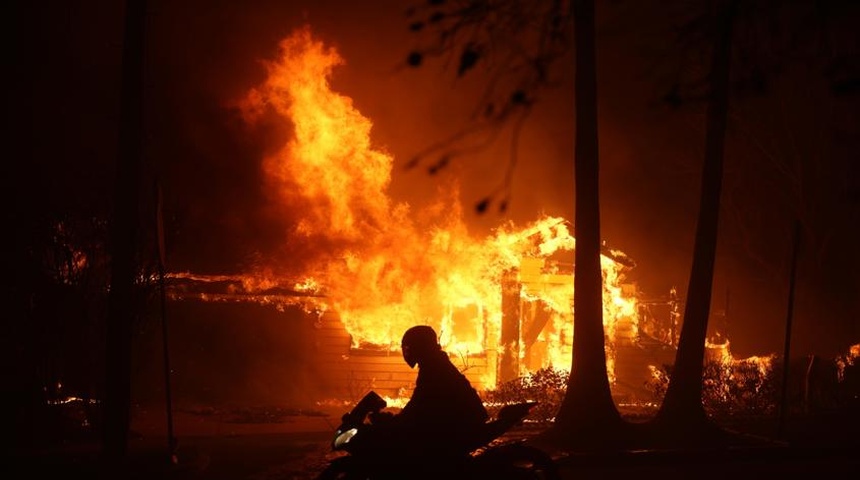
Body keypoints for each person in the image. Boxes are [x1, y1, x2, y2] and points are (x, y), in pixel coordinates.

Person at [361, 325, 489, 464]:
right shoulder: (434, 363)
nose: (407, 352)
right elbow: (421, 403)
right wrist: (398, 419)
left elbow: (419, 405)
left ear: (420, 346)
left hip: (458, 428)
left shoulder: (434, 368)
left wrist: (395, 422)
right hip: (457, 423)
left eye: (410, 347)